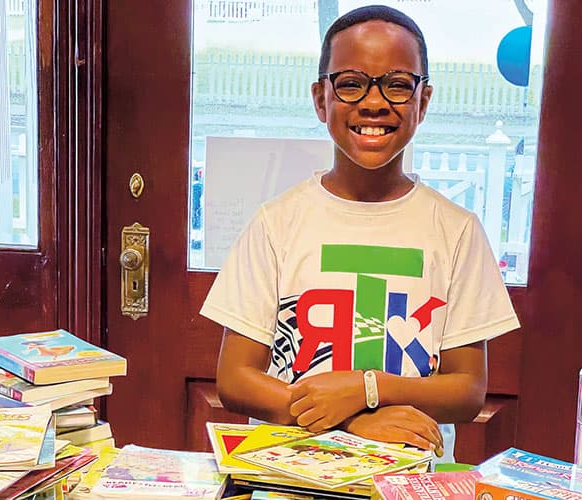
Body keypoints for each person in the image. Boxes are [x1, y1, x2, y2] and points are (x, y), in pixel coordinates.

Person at [201, 5, 520, 461]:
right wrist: (354, 421)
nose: (374, 102)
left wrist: (366, 387)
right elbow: (235, 379)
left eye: (396, 84)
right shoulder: (277, 223)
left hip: (411, 475)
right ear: (320, 98)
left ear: (422, 101)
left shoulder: (457, 231)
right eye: (351, 83)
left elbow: (467, 391)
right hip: (292, 471)